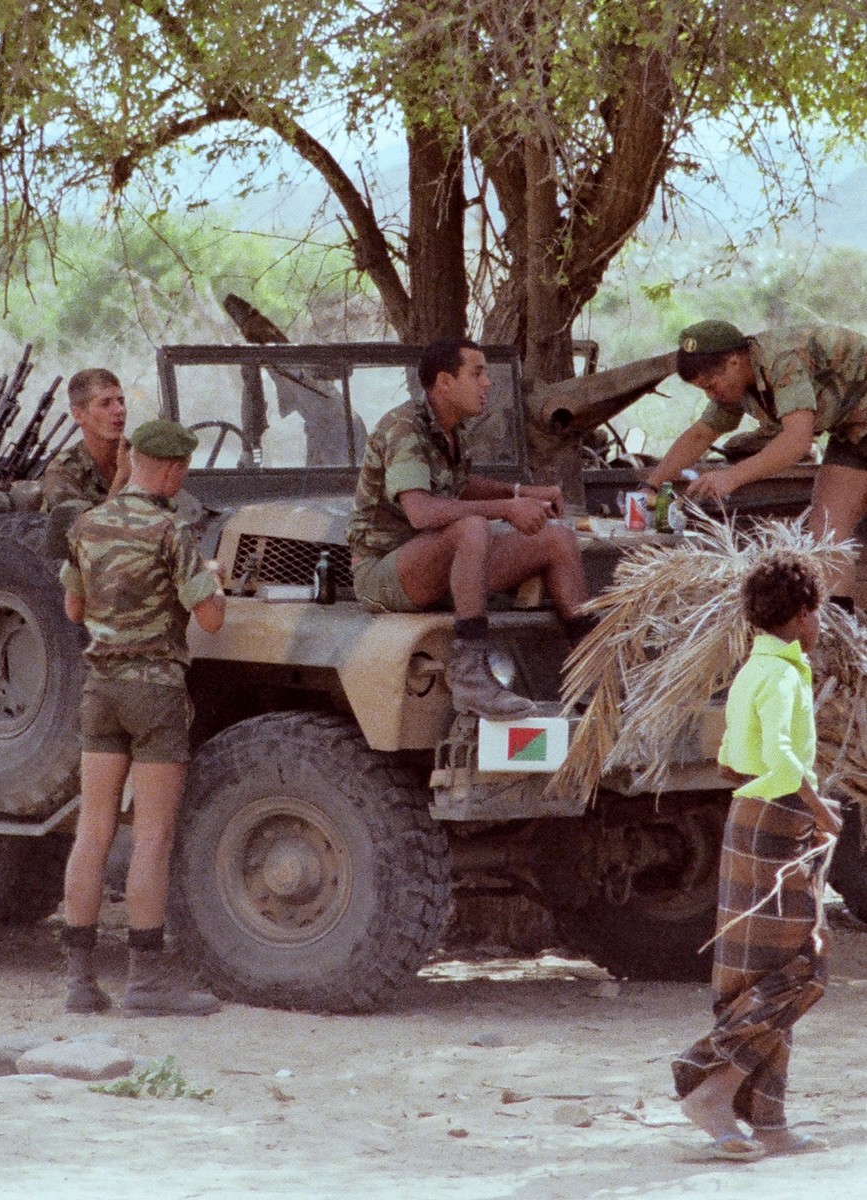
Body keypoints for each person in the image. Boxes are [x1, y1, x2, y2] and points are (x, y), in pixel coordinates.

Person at [671, 550, 842, 1161]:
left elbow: (731, 758)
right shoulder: (785, 677)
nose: (822, 622)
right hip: (777, 826)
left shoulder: (752, 670)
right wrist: (821, 811)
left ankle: (767, 1119)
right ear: (801, 614)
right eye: (818, 612)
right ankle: (709, 1084)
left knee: (757, 978)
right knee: (805, 971)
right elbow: (778, 756)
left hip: (751, 819)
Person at [58, 418, 225, 1017]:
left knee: (93, 829)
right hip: (155, 692)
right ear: (174, 469)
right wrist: (212, 584)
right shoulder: (171, 529)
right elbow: (209, 620)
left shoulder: (87, 524)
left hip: (100, 687)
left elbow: (75, 609)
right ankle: (146, 982)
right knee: (151, 836)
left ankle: (80, 982)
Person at [346, 337, 592, 720]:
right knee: (471, 527)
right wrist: (506, 509)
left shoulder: (450, 430)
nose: (488, 384)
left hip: (436, 562)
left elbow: (458, 485)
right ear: (444, 382)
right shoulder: (404, 428)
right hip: (384, 571)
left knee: (557, 538)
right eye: (477, 373)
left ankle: (591, 675)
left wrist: (522, 491)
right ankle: (470, 675)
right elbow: (422, 513)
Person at [646, 320, 867, 608]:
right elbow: (702, 433)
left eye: (711, 385)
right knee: (826, 537)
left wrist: (730, 477)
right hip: (856, 430)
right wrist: (650, 484)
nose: (710, 395)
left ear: (734, 362)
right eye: (703, 389)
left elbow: (797, 441)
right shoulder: (737, 382)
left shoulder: (783, 358)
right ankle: (837, 633)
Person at [41, 368, 130, 511]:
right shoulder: (63, 471)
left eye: (121, 401)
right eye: (105, 403)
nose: (119, 410)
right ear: (78, 415)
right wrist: (122, 477)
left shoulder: (141, 457)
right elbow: (86, 531)